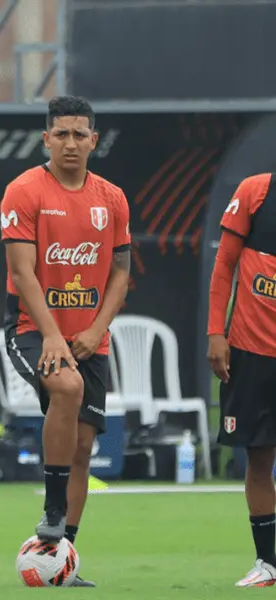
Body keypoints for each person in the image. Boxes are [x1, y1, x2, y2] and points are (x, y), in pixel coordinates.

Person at [0, 95, 131, 588]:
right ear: (46, 139)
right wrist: (52, 335)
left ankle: (63, 557)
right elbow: (21, 271)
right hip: (32, 330)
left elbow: (120, 273)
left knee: (83, 449)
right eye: (62, 134)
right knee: (67, 390)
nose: (71, 143)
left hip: (89, 336)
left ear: (94, 141)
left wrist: (96, 330)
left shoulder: (112, 198)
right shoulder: (24, 190)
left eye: (80, 134)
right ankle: (52, 510)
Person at [207, 172, 276, 586]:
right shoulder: (256, 192)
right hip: (250, 351)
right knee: (259, 457)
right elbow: (224, 266)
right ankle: (267, 563)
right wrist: (217, 333)